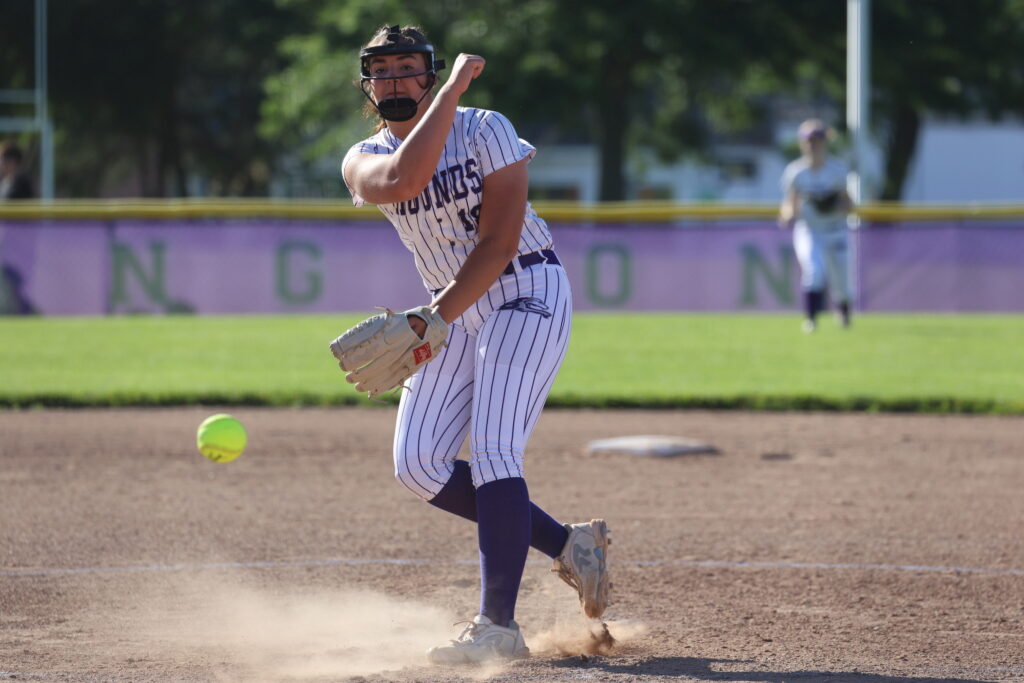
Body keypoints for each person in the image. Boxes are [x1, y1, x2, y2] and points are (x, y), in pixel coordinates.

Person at [339, 25, 611, 665]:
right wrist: (454, 84)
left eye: (411, 69)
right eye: (383, 71)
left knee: (493, 449)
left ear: (429, 76)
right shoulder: (360, 157)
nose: (397, 81)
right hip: (448, 310)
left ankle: (498, 628)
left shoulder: (486, 129)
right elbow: (406, 179)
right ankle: (571, 546)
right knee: (419, 465)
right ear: (368, 85)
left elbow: (496, 245)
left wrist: (436, 318)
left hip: (524, 289)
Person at [778, 119, 854, 332]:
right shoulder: (795, 172)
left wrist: (832, 203)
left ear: (825, 142)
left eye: (818, 139)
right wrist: (787, 214)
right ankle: (811, 319)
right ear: (802, 143)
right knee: (814, 272)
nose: (813, 144)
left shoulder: (837, 169)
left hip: (835, 229)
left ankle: (844, 315)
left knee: (842, 279)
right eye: (809, 140)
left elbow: (849, 204)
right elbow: (789, 204)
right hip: (809, 229)